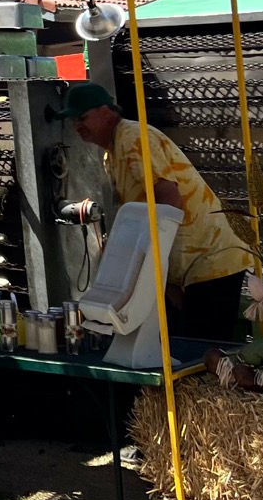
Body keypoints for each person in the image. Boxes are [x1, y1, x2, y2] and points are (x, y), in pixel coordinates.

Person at [60, 82, 252, 341]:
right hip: (189, 265)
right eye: (73, 121)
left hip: (210, 258)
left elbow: (168, 199)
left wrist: (145, 264)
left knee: (205, 350)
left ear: (106, 111)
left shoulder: (132, 137)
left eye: (82, 118)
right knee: (190, 344)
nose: (77, 127)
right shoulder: (113, 154)